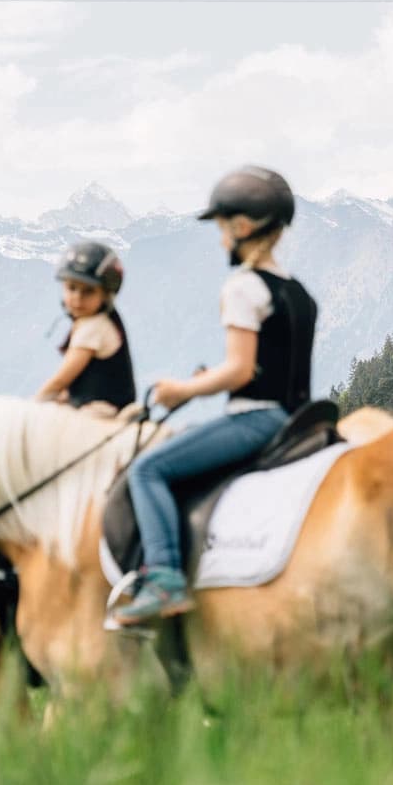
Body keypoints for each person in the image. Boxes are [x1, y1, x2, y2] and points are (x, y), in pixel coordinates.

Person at [108, 166, 316, 628]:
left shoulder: (243, 286)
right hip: (301, 419)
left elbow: (241, 370)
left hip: (257, 420)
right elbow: (267, 366)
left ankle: (163, 579)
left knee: (147, 470)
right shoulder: (298, 291)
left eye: (222, 228)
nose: (221, 239)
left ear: (242, 227)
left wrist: (180, 389)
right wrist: (210, 380)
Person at [35, 239, 136, 416]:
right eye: (72, 287)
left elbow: (61, 380)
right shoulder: (100, 320)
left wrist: (31, 407)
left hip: (102, 411)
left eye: (88, 291)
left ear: (105, 294)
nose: (78, 297)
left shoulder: (93, 328)